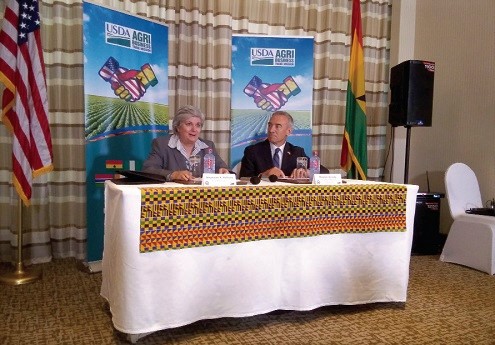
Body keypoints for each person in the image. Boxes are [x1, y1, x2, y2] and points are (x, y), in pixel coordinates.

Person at [142, 105, 230, 181]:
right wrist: (173, 175)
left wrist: (224, 171)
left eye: (198, 125)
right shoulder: (162, 144)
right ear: (178, 127)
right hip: (174, 197)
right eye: (189, 124)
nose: (194, 129)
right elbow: (148, 170)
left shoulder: (208, 147)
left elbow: (224, 168)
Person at [239, 110, 328, 179]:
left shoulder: (297, 152)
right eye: (270, 125)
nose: (271, 130)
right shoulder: (252, 151)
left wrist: (308, 172)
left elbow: (325, 172)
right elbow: (243, 179)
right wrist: (264, 175)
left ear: (288, 131)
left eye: (277, 126)